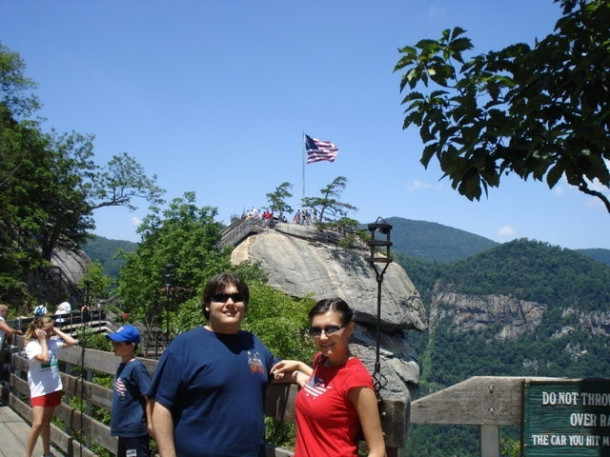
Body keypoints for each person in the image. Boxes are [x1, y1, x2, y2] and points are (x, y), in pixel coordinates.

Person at [149, 272, 279, 457]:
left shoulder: (253, 342)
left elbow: (277, 369)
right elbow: (161, 406)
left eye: (237, 297)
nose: (230, 303)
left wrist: (301, 372)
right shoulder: (185, 346)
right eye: (220, 298)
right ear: (207, 306)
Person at [271, 298, 386, 457]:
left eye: (331, 329)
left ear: (349, 328)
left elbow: (378, 451)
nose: (323, 337)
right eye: (316, 330)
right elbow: (328, 388)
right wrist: (299, 367)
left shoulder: (357, 379)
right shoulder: (320, 360)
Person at [23, 316, 78, 457]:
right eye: (46, 331)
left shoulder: (53, 342)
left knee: (46, 422)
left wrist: (56, 330)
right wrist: (42, 341)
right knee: (37, 423)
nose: (49, 334)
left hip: (53, 387)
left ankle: (46, 451)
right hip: (39, 390)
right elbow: (45, 358)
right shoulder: (32, 346)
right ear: (37, 331)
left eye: (50, 331)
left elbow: (72, 342)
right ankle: (27, 455)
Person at [106, 324, 152, 457]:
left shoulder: (136, 367)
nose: (114, 346)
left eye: (118, 344)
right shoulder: (123, 366)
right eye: (113, 343)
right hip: (124, 430)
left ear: (131, 346)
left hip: (135, 431)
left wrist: (150, 425)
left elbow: (148, 397)